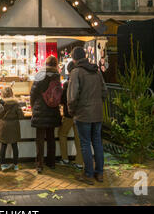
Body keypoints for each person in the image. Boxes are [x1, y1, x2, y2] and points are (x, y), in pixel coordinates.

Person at [67, 47, 107, 185]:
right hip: (97, 113)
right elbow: (104, 91)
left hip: (83, 114)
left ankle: (89, 174)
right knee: (97, 142)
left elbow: (72, 97)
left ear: (74, 58)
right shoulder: (96, 71)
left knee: (85, 144)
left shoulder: (76, 72)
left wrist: (71, 111)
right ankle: (100, 173)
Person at [30, 55, 62, 174]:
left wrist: (34, 108)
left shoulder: (40, 75)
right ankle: (51, 162)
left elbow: (33, 93)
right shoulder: (57, 76)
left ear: (46, 63)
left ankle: (39, 164)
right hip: (53, 110)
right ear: (55, 64)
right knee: (51, 138)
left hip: (40, 110)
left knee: (40, 139)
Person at [58, 61, 83, 169]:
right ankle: (79, 162)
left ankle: (65, 158)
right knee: (79, 138)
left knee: (62, 133)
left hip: (69, 114)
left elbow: (63, 100)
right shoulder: (82, 81)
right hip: (80, 114)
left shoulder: (68, 83)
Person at [0, 87, 24, 172]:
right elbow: (21, 116)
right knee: (14, 145)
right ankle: (15, 165)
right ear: (11, 93)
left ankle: (3, 165)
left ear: (3, 94)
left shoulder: (2, 103)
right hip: (14, 126)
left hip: (4, 126)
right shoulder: (16, 103)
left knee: (3, 145)